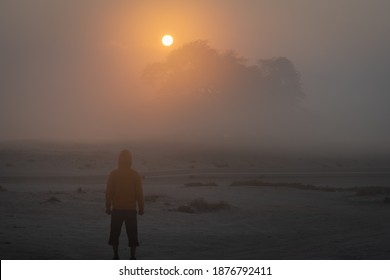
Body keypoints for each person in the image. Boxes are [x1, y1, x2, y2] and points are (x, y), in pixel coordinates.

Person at [105, 149, 144, 260]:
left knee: (114, 234)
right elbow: (139, 193)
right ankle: (132, 256)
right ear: (130, 160)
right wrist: (141, 208)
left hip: (117, 209)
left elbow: (109, 192)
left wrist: (107, 207)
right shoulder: (135, 174)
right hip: (130, 210)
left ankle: (116, 255)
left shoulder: (114, 174)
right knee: (132, 235)